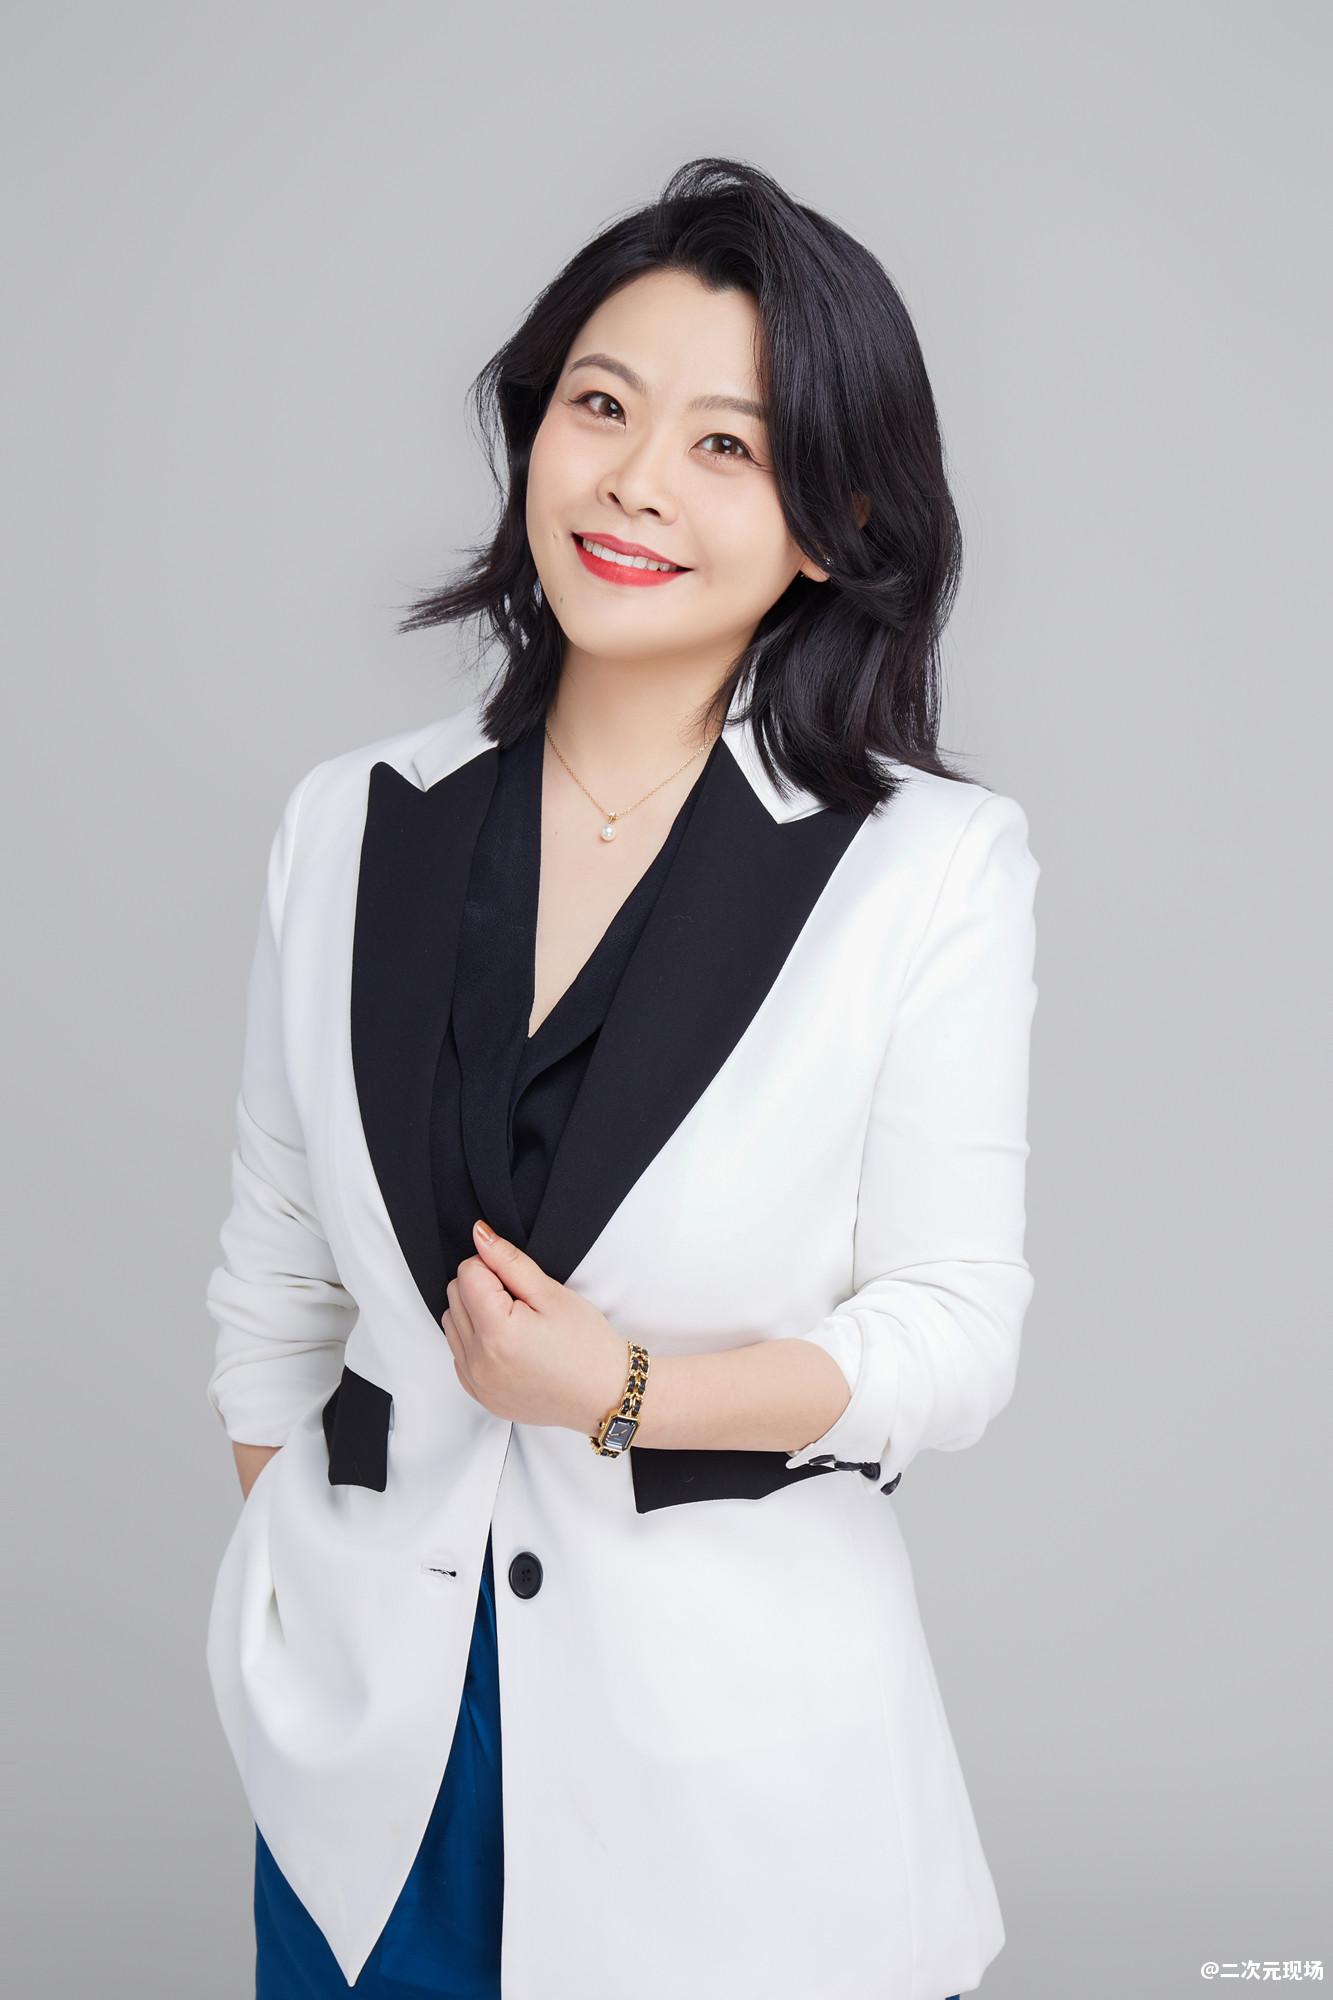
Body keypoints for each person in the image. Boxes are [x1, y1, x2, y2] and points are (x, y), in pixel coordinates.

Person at [204, 155, 1036, 2000]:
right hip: (371, 1768)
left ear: (836, 521)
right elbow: (275, 1287)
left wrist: (629, 1392)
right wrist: (299, 1595)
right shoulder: (352, 823)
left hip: (727, 1780)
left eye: (727, 445)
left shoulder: (928, 869)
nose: (635, 479)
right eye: (600, 406)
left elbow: (953, 1331)